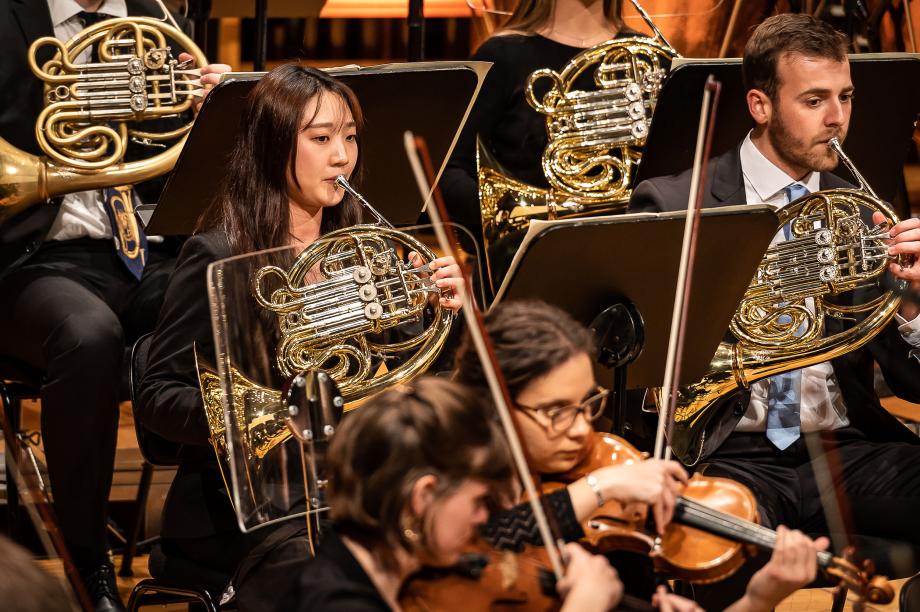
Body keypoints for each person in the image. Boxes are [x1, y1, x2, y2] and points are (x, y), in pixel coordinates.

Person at [136, 63, 466, 597]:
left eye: (350, 137)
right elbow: (157, 396)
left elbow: (414, 374)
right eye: (321, 138)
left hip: (347, 486)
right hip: (242, 508)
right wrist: (263, 417)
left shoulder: (364, 245)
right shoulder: (218, 254)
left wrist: (441, 312)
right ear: (272, 147)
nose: (342, 156)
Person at [629, 12, 920, 607]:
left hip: (842, 447)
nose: (837, 118)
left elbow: (911, 383)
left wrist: (914, 305)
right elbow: (638, 369)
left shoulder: (861, 206)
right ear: (760, 106)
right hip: (730, 453)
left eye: (845, 97)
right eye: (814, 100)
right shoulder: (675, 202)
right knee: (705, 547)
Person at [0, 1, 227, 609]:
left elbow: (185, 161)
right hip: (31, 258)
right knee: (89, 335)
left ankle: (204, 543)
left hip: (144, 251)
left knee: (223, 298)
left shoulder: (155, 16)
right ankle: (88, 562)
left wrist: (216, 114)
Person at [454, 299, 831, 611]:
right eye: (557, 412)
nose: (582, 429)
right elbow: (491, 537)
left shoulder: (617, 520)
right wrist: (602, 485)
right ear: (494, 406)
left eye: (587, 404)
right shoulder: (456, 492)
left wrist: (758, 599)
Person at [284, 376, 623, 612]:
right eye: (478, 501)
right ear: (424, 496)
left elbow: (504, 530)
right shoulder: (336, 605)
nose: (484, 517)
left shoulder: (371, 558)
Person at [440, 0, 642, 249]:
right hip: (525, 253)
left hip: (626, 248)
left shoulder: (644, 57)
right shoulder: (501, 56)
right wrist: (507, 214)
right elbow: (449, 170)